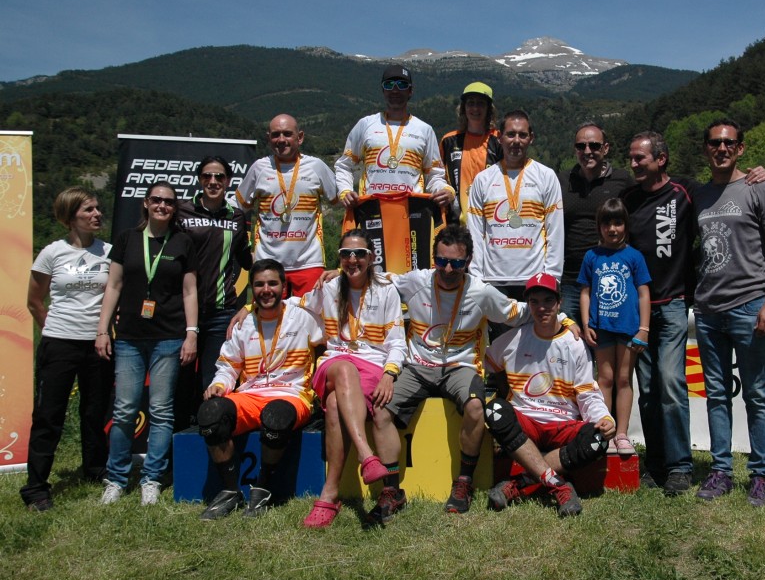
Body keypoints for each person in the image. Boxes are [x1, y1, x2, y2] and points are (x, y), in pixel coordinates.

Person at [622, 131, 765, 497]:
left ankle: (681, 466)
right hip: (637, 309)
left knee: (672, 382)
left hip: (673, 304)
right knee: (649, 388)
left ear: (662, 158)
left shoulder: (687, 192)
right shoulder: (626, 198)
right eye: (631, 158)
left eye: (640, 158)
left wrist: (760, 175)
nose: (634, 164)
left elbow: (724, 188)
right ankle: (655, 464)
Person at [368, 225, 547, 522]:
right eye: (441, 261)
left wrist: (562, 317)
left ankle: (463, 482)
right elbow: (379, 280)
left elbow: (518, 312)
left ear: (469, 261)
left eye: (456, 263)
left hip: (460, 368)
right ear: (433, 258)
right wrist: (340, 273)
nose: (448, 269)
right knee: (381, 410)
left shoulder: (481, 292)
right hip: (417, 366)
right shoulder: (416, 281)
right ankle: (391, 491)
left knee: (477, 407)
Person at [693, 120, 765, 507]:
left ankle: (761, 475)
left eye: (728, 143)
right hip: (708, 309)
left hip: (749, 306)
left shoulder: (757, 187)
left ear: (741, 149)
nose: (721, 148)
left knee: (756, 394)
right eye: (714, 142)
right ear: (706, 149)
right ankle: (720, 471)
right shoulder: (698, 194)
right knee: (716, 394)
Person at [196, 259, 325, 519]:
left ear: (284, 286)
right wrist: (218, 385)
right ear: (252, 290)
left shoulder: (303, 315)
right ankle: (231, 491)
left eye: (272, 283)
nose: (266, 290)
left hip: (292, 395)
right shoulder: (242, 324)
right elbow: (228, 365)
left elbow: (332, 318)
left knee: (276, 416)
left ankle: (263, 488)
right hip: (250, 395)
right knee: (210, 414)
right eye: (259, 284)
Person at [95, 181, 198, 506]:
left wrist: (191, 332)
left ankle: (151, 478)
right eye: (157, 200)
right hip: (128, 337)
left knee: (161, 411)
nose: (162, 206)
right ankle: (116, 478)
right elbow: (114, 285)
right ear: (145, 203)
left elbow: (189, 291)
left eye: (168, 201)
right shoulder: (126, 239)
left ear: (174, 207)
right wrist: (102, 330)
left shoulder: (183, 241)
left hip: (168, 336)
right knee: (124, 409)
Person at [298, 230, 407, 528]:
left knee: (334, 404)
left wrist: (389, 373)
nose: (352, 259)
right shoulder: (329, 286)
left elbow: (397, 342)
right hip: (334, 364)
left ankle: (329, 494)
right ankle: (365, 454)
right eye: (345, 253)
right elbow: (297, 306)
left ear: (371, 258)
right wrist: (248, 307)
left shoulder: (385, 289)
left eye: (359, 253)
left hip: (371, 367)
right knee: (344, 368)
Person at [483, 273, 614, 517]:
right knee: (495, 410)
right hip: (526, 423)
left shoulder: (574, 343)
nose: (541, 308)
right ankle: (560, 486)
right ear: (528, 304)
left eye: (548, 301)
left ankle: (519, 483)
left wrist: (605, 418)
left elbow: (587, 395)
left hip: (562, 425)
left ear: (559, 304)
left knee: (599, 439)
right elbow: (486, 363)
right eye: (535, 302)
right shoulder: (514, 338)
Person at [20, 187, 114, 511]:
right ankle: (36, 487)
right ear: (71, 216)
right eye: (88, 210)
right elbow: (34, 301)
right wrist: (52, 328)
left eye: (98, 208)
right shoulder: (52, 253)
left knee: (94, 412)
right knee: (49, 415)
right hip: (59, 342)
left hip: (98, 343)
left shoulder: (109, 252)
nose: (97, 214)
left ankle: (94, 469)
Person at [175, 156, 252, 427]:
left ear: (228, 182)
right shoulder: (181, 212)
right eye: (207, 176)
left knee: (213, 377)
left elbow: (247, 259)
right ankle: (179, 443)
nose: (213, 182)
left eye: (219, 177)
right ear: (199, 180)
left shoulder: (237, 216)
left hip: (221, 311)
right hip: (182, 312)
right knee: (181, 380)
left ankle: (209, 437)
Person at [466, 109, 564, 304]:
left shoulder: (546, 176)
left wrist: (552, 277)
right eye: (510, 134)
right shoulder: (483, 179)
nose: (516, 140)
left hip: (534, 279)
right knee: (497, 336)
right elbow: (475, 232)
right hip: (492, 279)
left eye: (522, 135)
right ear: (500, 137)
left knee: (533, 335)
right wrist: (476, 278)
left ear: (531, 138)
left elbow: (555, 232)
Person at [235, 114, 339, 296]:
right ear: (268, 138)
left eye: (287, 134)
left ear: (300, 137)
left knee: (310, 320)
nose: (281, 140)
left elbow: (341, 200)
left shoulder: (316, 166)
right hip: (268, 264)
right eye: (276, 135)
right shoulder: (259, 167)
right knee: (269, 322)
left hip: (308, 263)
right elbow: (237, 207)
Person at [577, 198, 651, 456]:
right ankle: (604, 431)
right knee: (604, 380)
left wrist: (644, 329)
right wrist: (586, 323)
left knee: (623, 379)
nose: (612, 229)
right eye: (607, 223)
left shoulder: (635, 256)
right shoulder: (592, 256)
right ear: (599, 227)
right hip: (602, 327)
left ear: (625, 226)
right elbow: (585, 292)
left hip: (629, 328)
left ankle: (622, 434)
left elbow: (643, 293)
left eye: (618, 223)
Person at [335, 64, 454, 211]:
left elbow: (434, 174)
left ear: (410, 91)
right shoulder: (365, 124)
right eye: (389, 84)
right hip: (371, 210)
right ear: (383, 90)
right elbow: (344, 165)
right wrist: (345, 191)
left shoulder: (425, 130)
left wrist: (446, 190)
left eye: (402, 85)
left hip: (411, 213)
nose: (395, 90)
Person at [557, 121, 636, 324]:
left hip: (609, 277)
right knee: (570, 340)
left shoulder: (622, 180)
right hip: (570, 279)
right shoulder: (562, 181)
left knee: (605, 341)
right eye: (581, 146)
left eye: (594, 146)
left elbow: (636, 222)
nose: (587, 151)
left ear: (606, 148)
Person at [438, 81, 502, 224]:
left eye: (480, 103)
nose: (475, 108)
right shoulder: (449, 141)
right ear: (463, 108)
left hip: (492, 224)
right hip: (456, 225)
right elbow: (437, 175)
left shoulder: (499, 140)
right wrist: (446, 189)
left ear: (489, 109)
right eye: (470, 103)